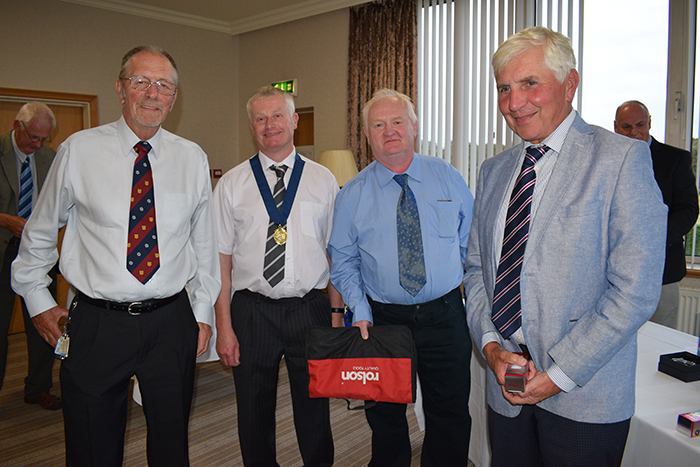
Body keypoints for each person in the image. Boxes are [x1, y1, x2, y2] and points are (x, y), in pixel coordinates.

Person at [464, 27, 667, 466]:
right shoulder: (493, 171)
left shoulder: (621, 160)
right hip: (507, 389)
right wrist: (492, 348)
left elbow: (634, 291)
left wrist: (558, 375)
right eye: (504, 88)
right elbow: (477, 272)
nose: (514, 102)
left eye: (529, 83)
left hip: (585, 398)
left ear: (570, 84)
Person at [11, 46, 220, 467]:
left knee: (171, 445)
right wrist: (37, 301)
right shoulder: (79, 151)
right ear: (121, 90)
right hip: (97, 324)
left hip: (170, 322)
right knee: (91, 446)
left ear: (173, 98)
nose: (152, 93)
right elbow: (39, 232)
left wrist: (202, 313)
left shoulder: (192, 157)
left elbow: (204, 246)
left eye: (164, 85)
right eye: (141, 81)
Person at [328, 89, 474, 467]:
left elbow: (471, 243)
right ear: (366, 134)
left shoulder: (447, 177)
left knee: (450, 414)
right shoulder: (352, 195)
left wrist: (459, 285)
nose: (389, 131)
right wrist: (359, 309)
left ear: (414, 126)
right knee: (386, 419)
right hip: (383, 321)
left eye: (397, 122)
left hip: (445, 316)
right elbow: (342, 261)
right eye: (378, 125)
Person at [213, 85, 341, 467]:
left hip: (309, 309)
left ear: (294, 120)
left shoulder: (324, 180)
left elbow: (337, 254)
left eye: (277, 116)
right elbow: (220, 260)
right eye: (260, 118)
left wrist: (337, 317)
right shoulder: (231, 184)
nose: (270, 125)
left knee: (315, 408)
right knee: (253, 411)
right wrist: (224, 327)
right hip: (252, 311)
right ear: (251, 126)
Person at [614, 100, 699, 329]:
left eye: (640, 125)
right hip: (614, 276)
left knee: (660, 341)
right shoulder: (606, 161)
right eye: (626, 127)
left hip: (663, 274)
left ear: (650, 123)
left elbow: (688, 209)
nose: (634, 132)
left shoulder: (675, 159)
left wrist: (651, 240)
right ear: (616, 127)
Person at [0, 102, 62, 410]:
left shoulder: (50, 157)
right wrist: (5, 219)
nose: (37, 145)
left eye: (43, 139)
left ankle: (38, 388)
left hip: (38, 252)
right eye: (33, 137)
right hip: (3, 249)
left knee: (44, 321)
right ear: (17, 125)